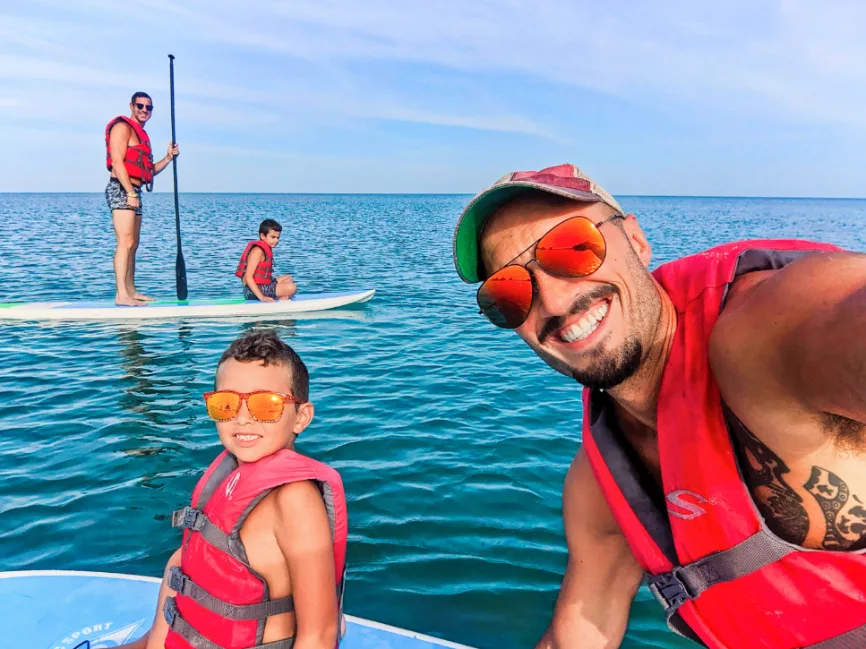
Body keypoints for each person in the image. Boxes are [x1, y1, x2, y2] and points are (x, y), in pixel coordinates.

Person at [451, 163, 866, 648]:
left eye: (572, 249)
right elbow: (581, 634)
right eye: (509, 292)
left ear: (637, 241)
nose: (554, 301)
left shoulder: (765, 334)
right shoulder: (600, 482)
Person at [117, 329, 348, 649]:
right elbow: (187, 569)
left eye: (266, 405)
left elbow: (319, 635)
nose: (242, 418)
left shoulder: (295, 500)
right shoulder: (229, 477)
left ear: (301, 417)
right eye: (226, 404)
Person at [105, 92, 180, 306]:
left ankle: (131, 290)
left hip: (134, 191)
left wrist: (168, 158)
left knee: (133, 244)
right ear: (131, 105)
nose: (144, 110)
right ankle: (121, 295)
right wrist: (129, 192)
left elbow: (148, 171)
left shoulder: (142, 136)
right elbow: (118, 163)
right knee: (125, 242)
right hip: (121, 188)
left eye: (149, 107)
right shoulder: (122, 128)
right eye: (140, 106)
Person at [236, 219, 298, 302]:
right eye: (273, 237)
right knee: (292, 287)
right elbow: (248, 277)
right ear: (262, 236)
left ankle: (280, 296)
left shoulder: (265, 248)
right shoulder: (257, 251)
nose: (276, 240)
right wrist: (262, 297)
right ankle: (280, 296)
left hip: (263, 285)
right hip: (251, 292)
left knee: (288, 278)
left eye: (278, 237)